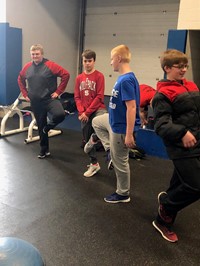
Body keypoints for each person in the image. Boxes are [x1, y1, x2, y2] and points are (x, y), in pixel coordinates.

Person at [152, 49, 200, 243]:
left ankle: (168, 197)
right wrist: (182, 132)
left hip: (197, 141)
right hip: (180, 147)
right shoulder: (162, 94)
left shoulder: (191, 85)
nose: (183, 69)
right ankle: (164, 214)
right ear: (167, 68)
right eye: (179, 66)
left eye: (185, 65)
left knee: (181, 182)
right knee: (196, 186)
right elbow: (161, 125)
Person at [91, 44, 140, 203]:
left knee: (121, 162)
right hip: (112, 121)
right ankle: (109, 150)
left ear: (118, 58)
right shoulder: (124, 78)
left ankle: (123, 193)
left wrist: (129, 134)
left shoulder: (126, 80)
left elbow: (131, 107)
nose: (111, 62)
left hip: (121, 128)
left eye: (112, 59)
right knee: (97, 121)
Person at [18, 44, 70, 158]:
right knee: (41, 125)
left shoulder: (50, 65)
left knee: (60, 114)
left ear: (42, 54)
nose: (35, 56)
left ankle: (48, 127)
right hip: (36, 102)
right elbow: (20, 79)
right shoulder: (27, 67)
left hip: (49, 99)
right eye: (33, 54)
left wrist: (58, 91)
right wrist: (25, 94)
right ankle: (44, 150)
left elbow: (66, 75)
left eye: (37, 54)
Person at [74, 49, 107, 177]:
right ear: (82, 62)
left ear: (94, 61)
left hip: (98, 109)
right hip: (84, 112)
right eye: (85, 61)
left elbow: (99, 97)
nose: (87, 63)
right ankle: (94, 164)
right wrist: (82, 112)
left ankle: (97, 138)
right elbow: (77, 97)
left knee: (102, 125)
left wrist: (87, 113)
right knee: (87, 139)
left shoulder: (99, 76)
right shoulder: (79, 78)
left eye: (90, 61)